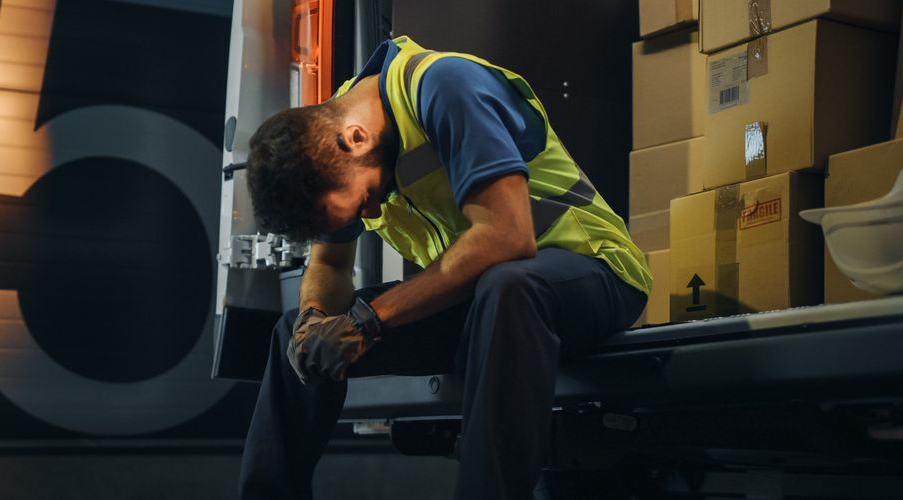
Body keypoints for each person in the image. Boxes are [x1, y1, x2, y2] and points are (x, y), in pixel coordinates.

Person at [239, 35, 650, 500]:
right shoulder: (330, 133)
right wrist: (315, 318)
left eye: (365, 200)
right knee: (294, 331)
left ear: (355, 138)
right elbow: (331, 265)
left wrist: (370, 319)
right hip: (486, 304)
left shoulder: (444, 86)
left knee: (509, 283)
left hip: (593, 273)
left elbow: (507, 236)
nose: (371, 216)